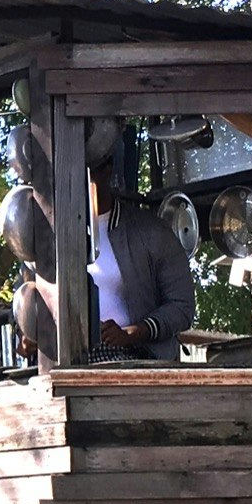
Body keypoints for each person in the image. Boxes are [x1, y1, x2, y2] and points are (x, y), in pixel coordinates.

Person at [86, 154, 196, 361]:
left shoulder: (151, 231)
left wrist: (133, 333)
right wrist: (27, 334)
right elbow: (28, 296)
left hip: (136, 358)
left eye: (89, 171)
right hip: (71, 360)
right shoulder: (53, 237)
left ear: (107, 169)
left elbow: (182, 306)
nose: (81, 182)